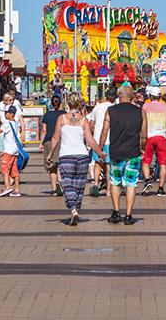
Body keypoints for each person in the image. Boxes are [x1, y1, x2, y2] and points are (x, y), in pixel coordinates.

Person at [46, 93, 100, 226]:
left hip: (66, 156)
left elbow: (55, 138)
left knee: (68, 184)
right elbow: (90, 140)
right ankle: (76, 208)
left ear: (68, 104)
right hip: (82, 157)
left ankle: (73, 209)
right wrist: (100, 153)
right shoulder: (84, 120)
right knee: (79, 186)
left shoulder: (62, 118)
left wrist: (50, 154)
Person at [100, 85, 146, 225]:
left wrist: (100, 149)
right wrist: (142, 149)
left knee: (115, 182)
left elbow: (104, 131)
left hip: (116, 152)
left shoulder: (111, 111)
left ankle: (115, 212)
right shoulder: (140, 112)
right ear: (132, 97)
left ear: (119, 97)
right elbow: (144, 135)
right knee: (131, 184)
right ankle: (128, 215)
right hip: (133, 153)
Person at [140, 87, 166, 196]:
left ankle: (147, 181)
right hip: (162, 137)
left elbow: (142, 122)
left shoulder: (145, 106)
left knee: (146, 161)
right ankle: (161, 188)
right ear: (160, 96)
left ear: (150, 96)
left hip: (148, 137)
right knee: (163, 163)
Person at [86, 87, 115, 196]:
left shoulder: (97, 107)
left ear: (106, 96)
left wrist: (93, 135)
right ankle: (108, 191)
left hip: (97, 141)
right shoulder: (114, 108)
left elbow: (91, 124)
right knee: (109, 166)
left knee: (97, 163)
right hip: (111, 140)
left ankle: (96, 185)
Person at [41, 95, 66, 196]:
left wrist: (40, 143)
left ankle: (54, 189)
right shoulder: (64, 114)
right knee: (60, 163)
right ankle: (60, 182)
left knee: (51, 166)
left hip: (49, 141)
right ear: (60, 103)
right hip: (61, 140)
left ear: (51, 103)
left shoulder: (47, 115)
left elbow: (44, 130)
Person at [0, 105, 23, 197]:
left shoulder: (7, 124)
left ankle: (7, 187)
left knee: (4, 168)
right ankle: (16, 189)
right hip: (15, 150)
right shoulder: (15, 123)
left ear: (11, 114)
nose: (4, 114)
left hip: (8, 150)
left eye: (6, 113)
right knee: (14, 169)